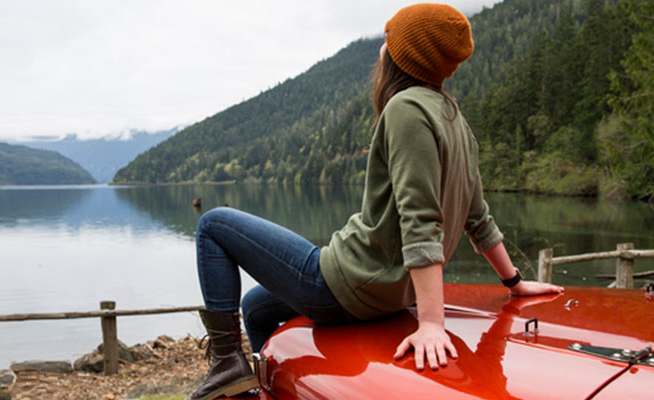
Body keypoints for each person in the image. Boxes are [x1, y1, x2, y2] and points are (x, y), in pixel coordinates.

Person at [185, 4, 565, 400]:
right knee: (257, 307)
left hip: (343, 283)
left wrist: (432, 323)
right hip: (386, 294)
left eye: (388, 39)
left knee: (214, 225)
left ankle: (227, 363)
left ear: (406, 55)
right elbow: (477, 216)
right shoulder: (455, 119)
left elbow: (421, 218)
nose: (381, 48)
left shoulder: (406, 108)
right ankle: (263, 387)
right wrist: (514, 282)